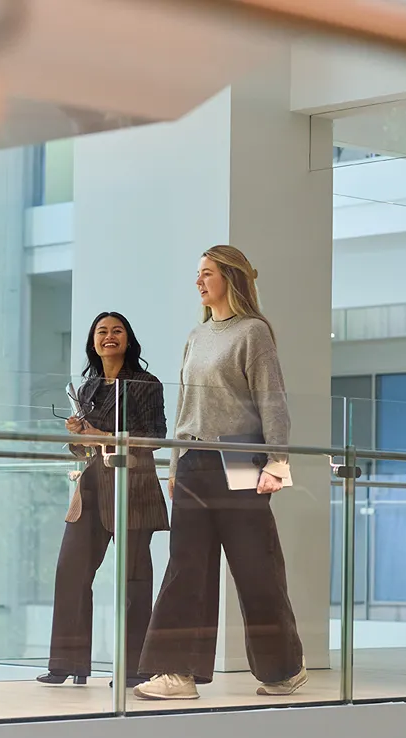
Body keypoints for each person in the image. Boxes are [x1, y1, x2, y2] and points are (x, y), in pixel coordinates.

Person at [134, 245, 306, 701]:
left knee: (257, 569)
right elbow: (185, 406)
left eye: (207, 273)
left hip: (241, 461)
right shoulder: (197, 335)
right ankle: (177, 672)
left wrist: (277, 462)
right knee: (185, 568)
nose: (198, 281)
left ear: (231, 277)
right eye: (198, 273)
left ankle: (284, 669)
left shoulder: (253, 333)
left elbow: (272, 400)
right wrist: (175, 465)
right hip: (193, 460)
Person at [38, 312, 168, 688]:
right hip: (93, 486)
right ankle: (67, 663)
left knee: (133, 581)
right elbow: (85, 449)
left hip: (133, 486)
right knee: (71, 571)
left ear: (128, 340)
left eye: (117, 331)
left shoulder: (145, 383)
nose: (109, 336)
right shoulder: (88, 388)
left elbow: (156, 436)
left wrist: (103, 435)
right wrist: (79, 436)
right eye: (102, 331)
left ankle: (134, 669)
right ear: (93, 342)